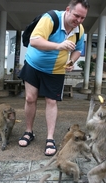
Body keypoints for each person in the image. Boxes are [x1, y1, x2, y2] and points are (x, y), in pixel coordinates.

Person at [18, 0, 89, 156]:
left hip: (56, 70)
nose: (78, 21)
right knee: (30, 98)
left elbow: (78, 50)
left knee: (51, 101)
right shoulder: (51, 18)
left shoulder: (79, 30)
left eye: (82, 18)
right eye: (76, 16)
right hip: (33, 64)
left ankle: (50, 138)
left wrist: (72, 60)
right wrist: (59, 46)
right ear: (68, 10)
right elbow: (34, 40)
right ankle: (28, 131)